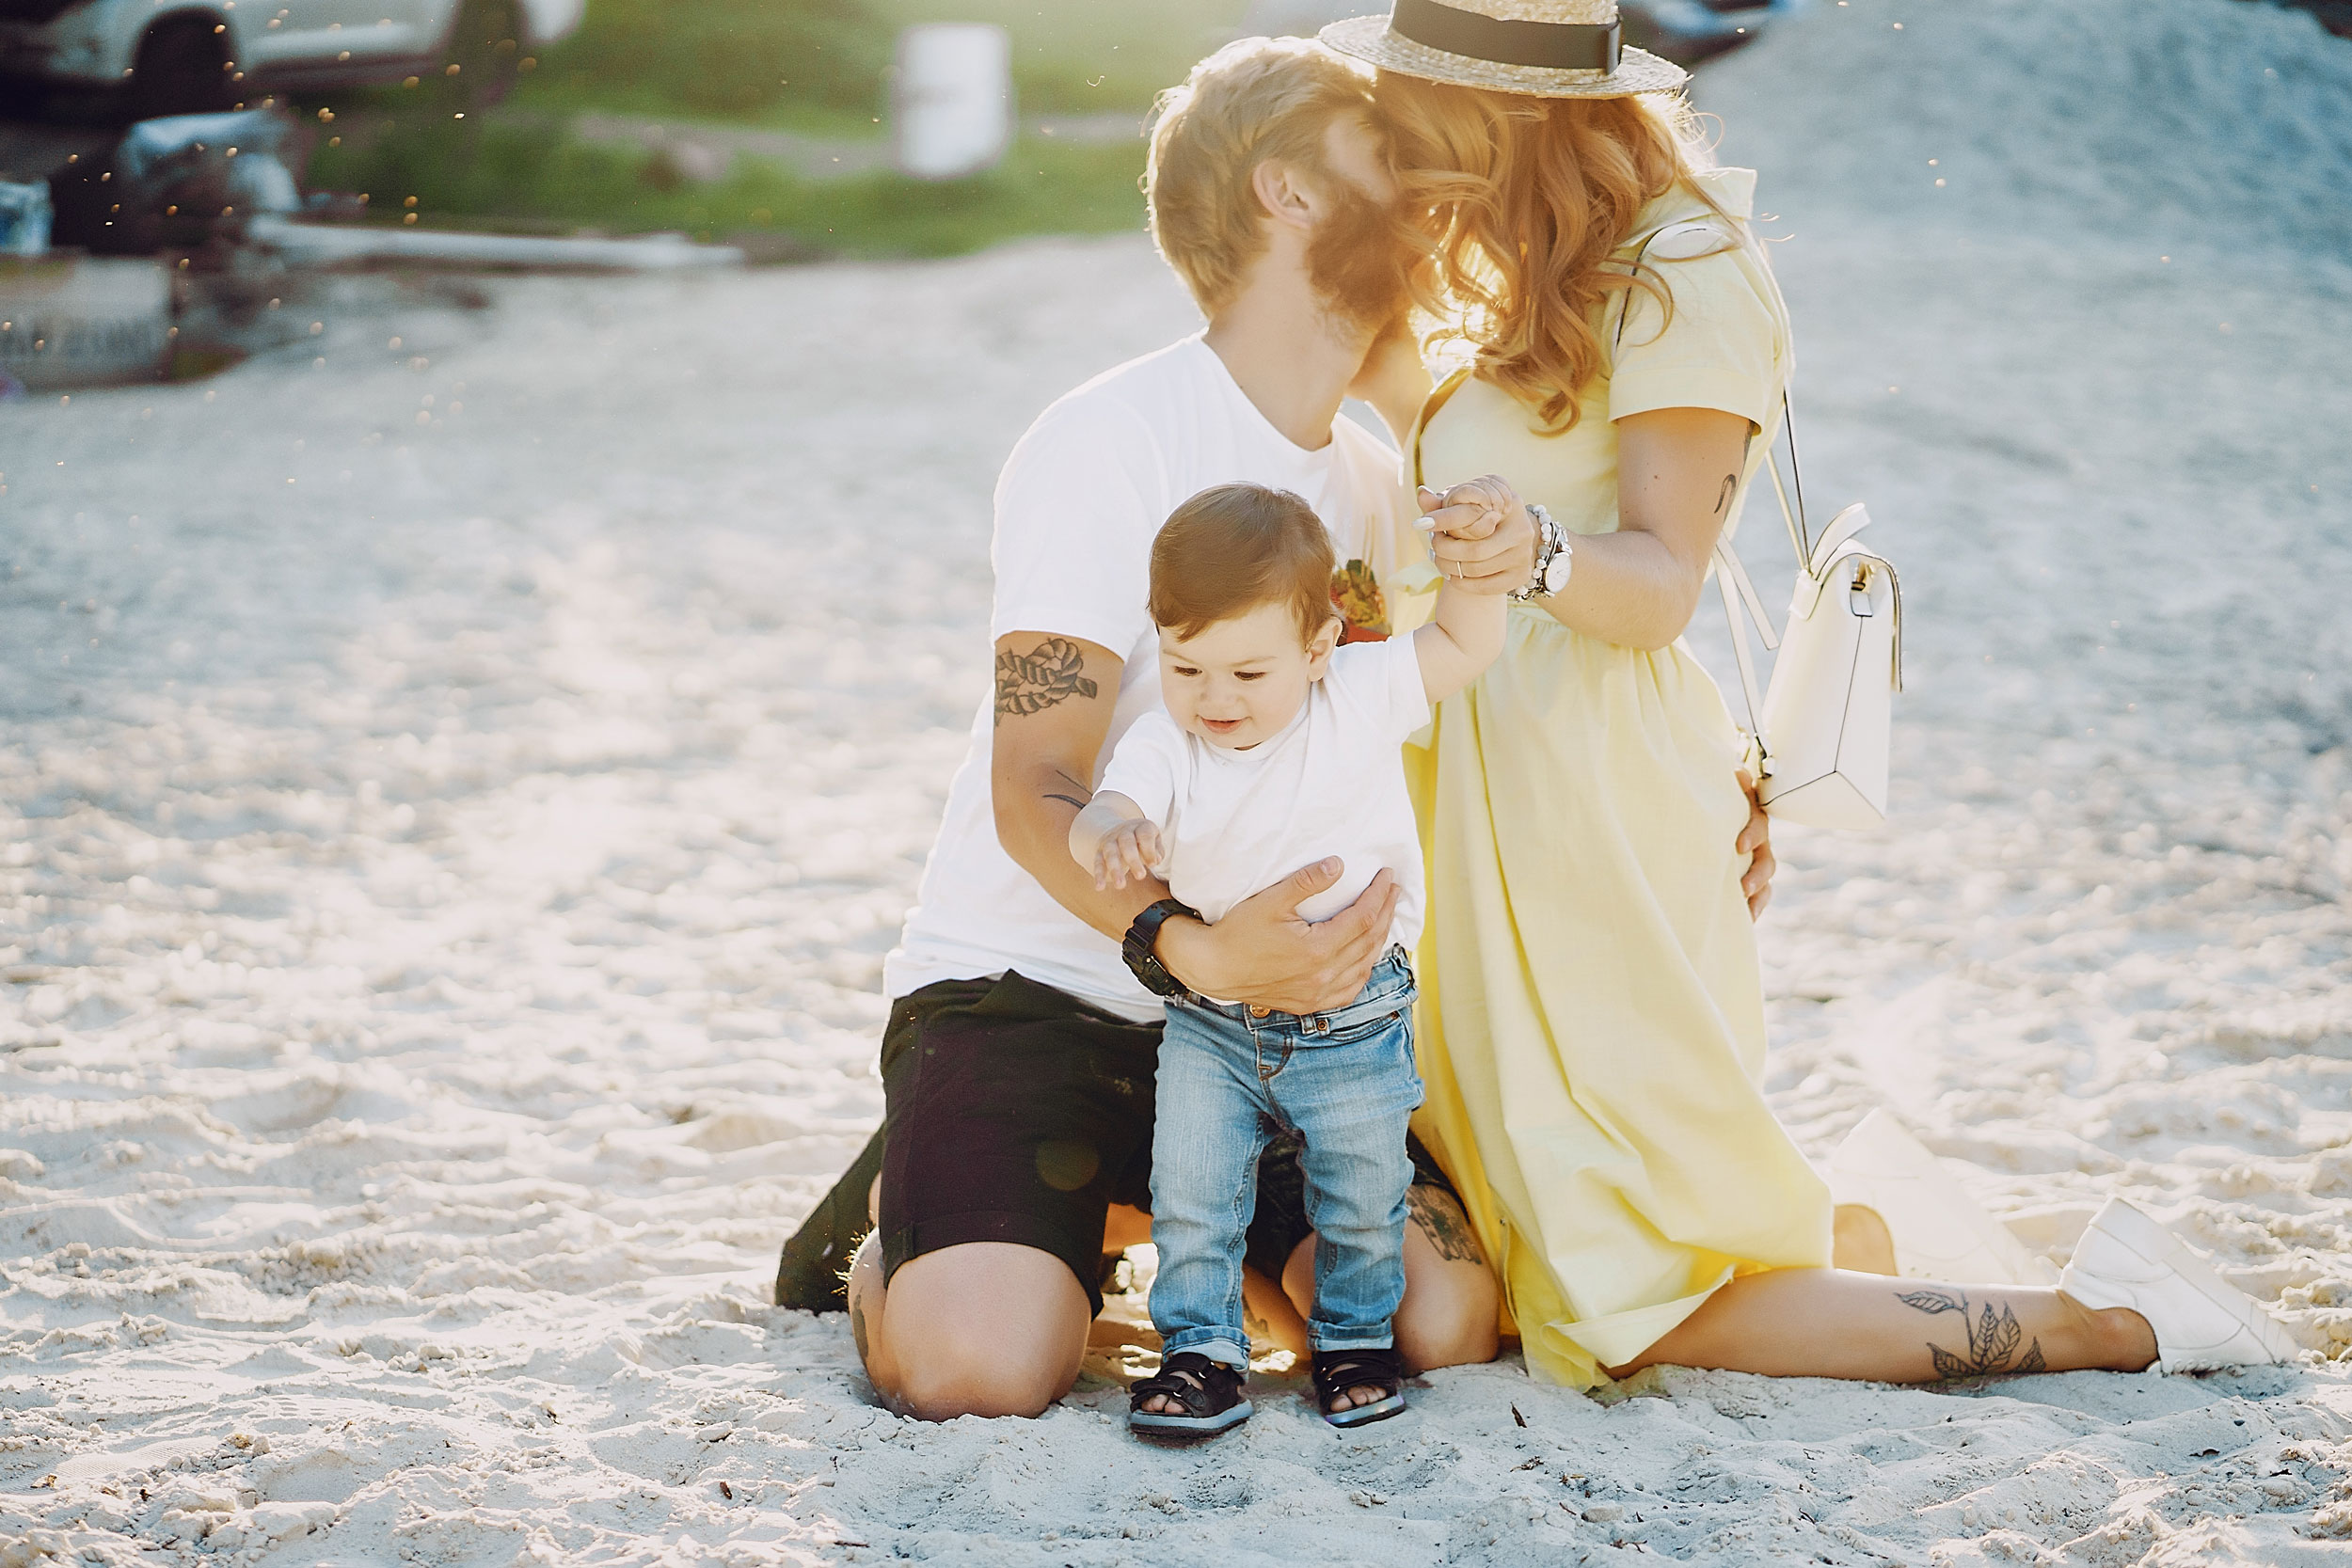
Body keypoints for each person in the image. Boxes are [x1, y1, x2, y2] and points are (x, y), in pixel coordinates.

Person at [1315, 0, 2300, 1386]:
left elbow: (1658, 580)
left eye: (1419, 100)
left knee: (1628, 1287)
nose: (1400, 127)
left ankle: (2100, 1319)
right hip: (1476, 792)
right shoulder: (1509, 265)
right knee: (1576, 1242)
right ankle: (1865, 1241)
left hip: (1588, 807)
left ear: (1506, 112)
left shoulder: (1685, 268)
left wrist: (1526, 549)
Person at [771, 36, 1580, 1422]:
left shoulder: (1381, 482)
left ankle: (1121, 1217)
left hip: (1272, 1031)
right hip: (1039, 986)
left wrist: (1723, 803)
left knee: (1439, 1320)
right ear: (1289, 192)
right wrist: (1187, 944)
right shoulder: (1113, 439)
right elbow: (1040, 782)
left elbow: (1442, 707)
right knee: (979, 1368)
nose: (1431, 189)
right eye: (1384, 152)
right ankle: (901, 1220)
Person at [1072, 482, 1505, 1433]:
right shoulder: (1166, 738)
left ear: (1316, 650)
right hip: (1210, 1021)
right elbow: (1110, 802)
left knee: (1360, 1189)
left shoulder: (1356, 693)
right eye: (1187, 668)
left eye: (1246, 673)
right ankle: (1200, 1352)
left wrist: (1474, 564)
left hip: (1353, 1015)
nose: (1214, 699)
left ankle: (1350, 1339)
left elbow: (1465, 644)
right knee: (1193, 1191)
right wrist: (1111, 828)